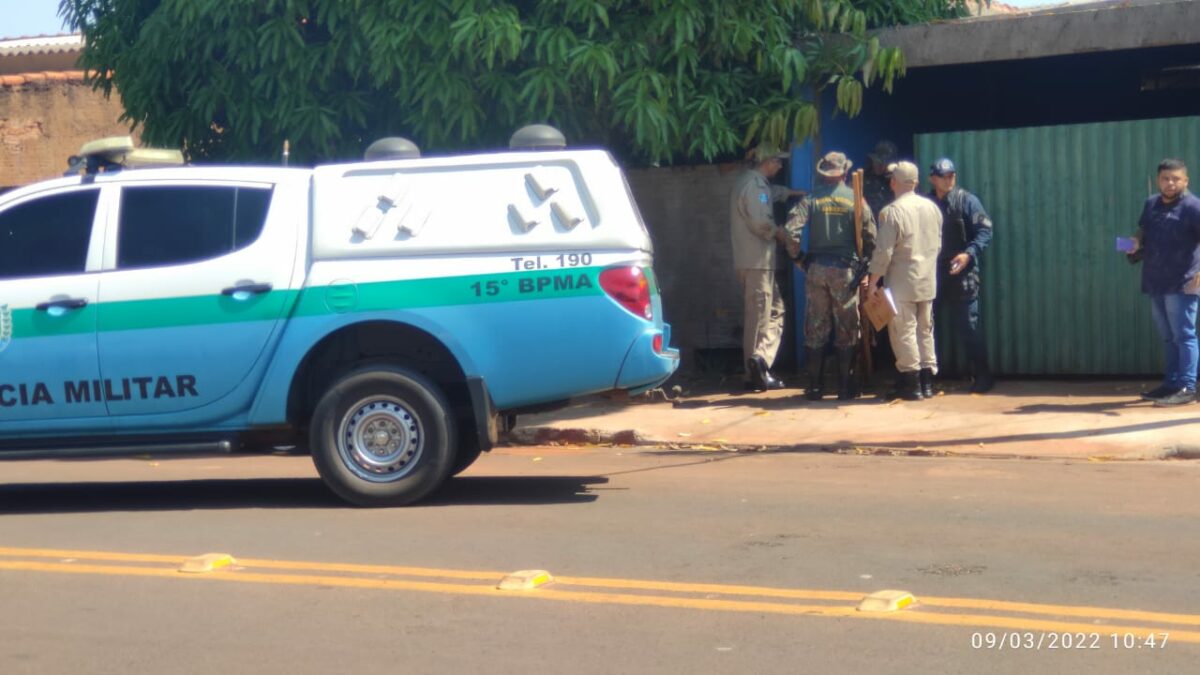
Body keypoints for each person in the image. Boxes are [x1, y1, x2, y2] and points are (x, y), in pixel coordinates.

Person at [785, 152, 876, 400]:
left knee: (816, 326)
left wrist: (798, 258)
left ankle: (815, 387)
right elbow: (871, 236)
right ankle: (845, 388)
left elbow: (790, 231)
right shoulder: (856, 200)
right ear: (845, 173)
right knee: (847, 327)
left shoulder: (811, 200)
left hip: (816, 269)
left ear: (823, 174)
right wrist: (866, 265)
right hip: (846, 270)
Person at [866, 161, 943, 400]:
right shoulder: (933, 208)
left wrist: (872, 283)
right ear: (917, 182)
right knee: (925, 330)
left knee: (904, 331)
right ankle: (927, 382)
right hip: (927, 280)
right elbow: (937, 245)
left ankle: (911, 384)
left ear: (893, 182)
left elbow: (884, 253)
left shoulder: (892, 212)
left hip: (902, 282)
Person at [730, 144, 804, 390]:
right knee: (760, 316)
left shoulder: (750, 182)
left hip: (753, 261)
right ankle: (757, 369)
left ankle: (758, 362)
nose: (780, 165)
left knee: (772, 311)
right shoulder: (755, 185)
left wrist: (792, 193)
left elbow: (771, 194)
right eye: (777, 161)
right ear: (766, 162)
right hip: (757, 262)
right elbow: (761, 221)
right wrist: (779, 234)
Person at [1126, 159, 1200, 407]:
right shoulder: (1151, 204)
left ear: (1185, 181)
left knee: (1184, 335)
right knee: (1168, 336)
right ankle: (1171, 383)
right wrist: (1132, 243)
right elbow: (1141, 231)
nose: (1170, 183)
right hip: (1155, 280)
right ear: (1158, 180)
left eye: (1176, 178)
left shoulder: (1193, 206)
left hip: (1185, 282)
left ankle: (1188, 386)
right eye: (1165, 178)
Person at [928, 158, 995, 395]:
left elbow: (985, 231)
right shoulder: (926, 203)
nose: (948, 180)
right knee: (925, 325)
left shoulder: (967, 200)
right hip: (931, 271)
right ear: (932, 179)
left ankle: (983, 376)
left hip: (962, 271)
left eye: (951, 176)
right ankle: (925, 378)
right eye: (943, 176)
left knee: (969, 325)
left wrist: (968, 254)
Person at [863, 140, 898, 219]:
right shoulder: (866, 178)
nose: (876, 165)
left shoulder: (896, 181)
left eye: (881, 162)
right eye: (875, 161)